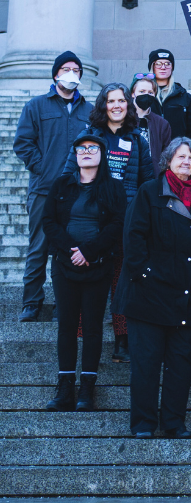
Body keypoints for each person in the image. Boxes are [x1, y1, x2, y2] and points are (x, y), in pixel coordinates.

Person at [120, 137, 191, 438]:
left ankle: (174, 423)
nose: (186, 162)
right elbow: (133, 240)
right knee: (145, 365)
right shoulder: (149, 192)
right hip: (149, 296)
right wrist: (146, 275)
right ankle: (143, 424)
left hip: (186, 299)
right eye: (180, 157)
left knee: (179, 367)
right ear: (168, 160)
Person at [70, 83, 154, 363]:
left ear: (128, 105)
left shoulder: (138, 139)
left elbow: (147, 183)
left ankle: (122, 340)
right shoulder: (88, 136)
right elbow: (68, 176)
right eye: (110, 101)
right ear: (102, 105)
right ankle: (83, 341)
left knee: (122, 281)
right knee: (90, 280)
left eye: (121, 100)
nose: (116, 105)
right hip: (92, 221)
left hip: (125, 221)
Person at [43, 134, 125, 411]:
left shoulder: (113, 188)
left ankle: (87, 390)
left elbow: (117, 224)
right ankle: (65, 387)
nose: (87, 152)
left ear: (102, 155)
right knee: (66, 326)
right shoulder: (62, 184)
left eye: (93, 148)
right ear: (75, 154)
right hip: (65, 266)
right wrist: (72, 251)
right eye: (81, 148)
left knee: (92, 328)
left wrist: (89, 252)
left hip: (98, 265)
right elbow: (49, 222)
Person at [14, 51, 90, 322]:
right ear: (56, 74)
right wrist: (43, 167)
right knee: (39, 246)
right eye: (67, 68)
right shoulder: (36, 106)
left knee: (71, 248)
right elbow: (22, 143)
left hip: (77, 192)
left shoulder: (88, 111)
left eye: (77, 69)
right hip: (44, 190)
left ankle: (65, 304)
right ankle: (31, 303)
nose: (72, 73)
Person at [147, 49, 191, 139]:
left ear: (172, 68)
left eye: (167, 64)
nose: (163, 67)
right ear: (152, 67)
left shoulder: (185, 97)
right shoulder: (143, 95)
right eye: (158, 64)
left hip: (177, 150)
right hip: (149, 150)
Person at [130, 74, 172, 177]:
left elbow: (166, 155)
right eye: (142, 91)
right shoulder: (124, 119)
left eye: (150, 92)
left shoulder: (162, 124)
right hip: (129, 173)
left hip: (152, 177)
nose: (146, 95)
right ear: (133, 93)